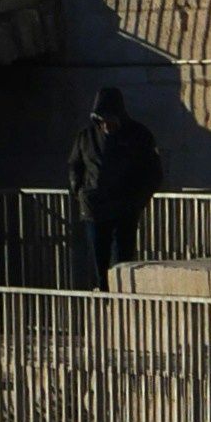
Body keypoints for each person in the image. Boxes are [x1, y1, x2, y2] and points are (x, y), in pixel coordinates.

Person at [67, 83, 162, 290]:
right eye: (102, 121)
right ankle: (103, 296)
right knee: (98, 260)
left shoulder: (138, 136)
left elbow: (153, 172)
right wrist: (79, 189)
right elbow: (75, 165)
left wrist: (138, 199)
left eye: (111, 120)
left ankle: (121, 298)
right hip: (94, 207)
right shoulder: (87, 137)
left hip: (124, 206)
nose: (107, 126)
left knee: (122, 260)